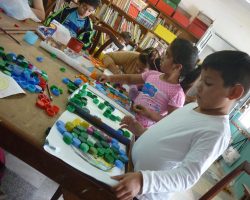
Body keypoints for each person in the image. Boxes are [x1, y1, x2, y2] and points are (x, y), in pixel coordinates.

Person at [110, 50, 250, 200]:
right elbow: (166, 140)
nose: (199, 87)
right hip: (130, 167)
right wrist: (141, 131)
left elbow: (186, 177)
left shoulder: (217, 132)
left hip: (141, 192)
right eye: (201, 80)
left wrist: (143, 181)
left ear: (235, 92)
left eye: (208, 83)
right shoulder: (191, 107)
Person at [100, 38, 199, 127]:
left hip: (141, 131)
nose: (162, 57)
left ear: (177, 67)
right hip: (127, 116)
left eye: (167, 55)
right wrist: (109, 78)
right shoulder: (153, 75)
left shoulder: (177, 94)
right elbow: (129, 79)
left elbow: (170, 123)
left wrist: (149, 114)